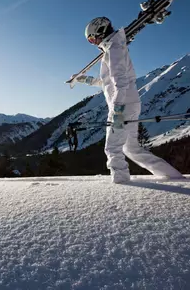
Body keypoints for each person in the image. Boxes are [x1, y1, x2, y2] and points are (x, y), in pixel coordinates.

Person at [72, 16, 183, 183]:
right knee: (131, 148)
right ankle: (173, 176)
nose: (93, 43)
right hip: (129, 103)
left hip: (122, 105)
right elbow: (109, 82)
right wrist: (87, 80)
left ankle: (121, 182)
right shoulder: (114, 48)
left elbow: (121, 83)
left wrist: (117, 110)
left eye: (92, 38)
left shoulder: (114, 50)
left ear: (101, 32)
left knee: (112, 148)